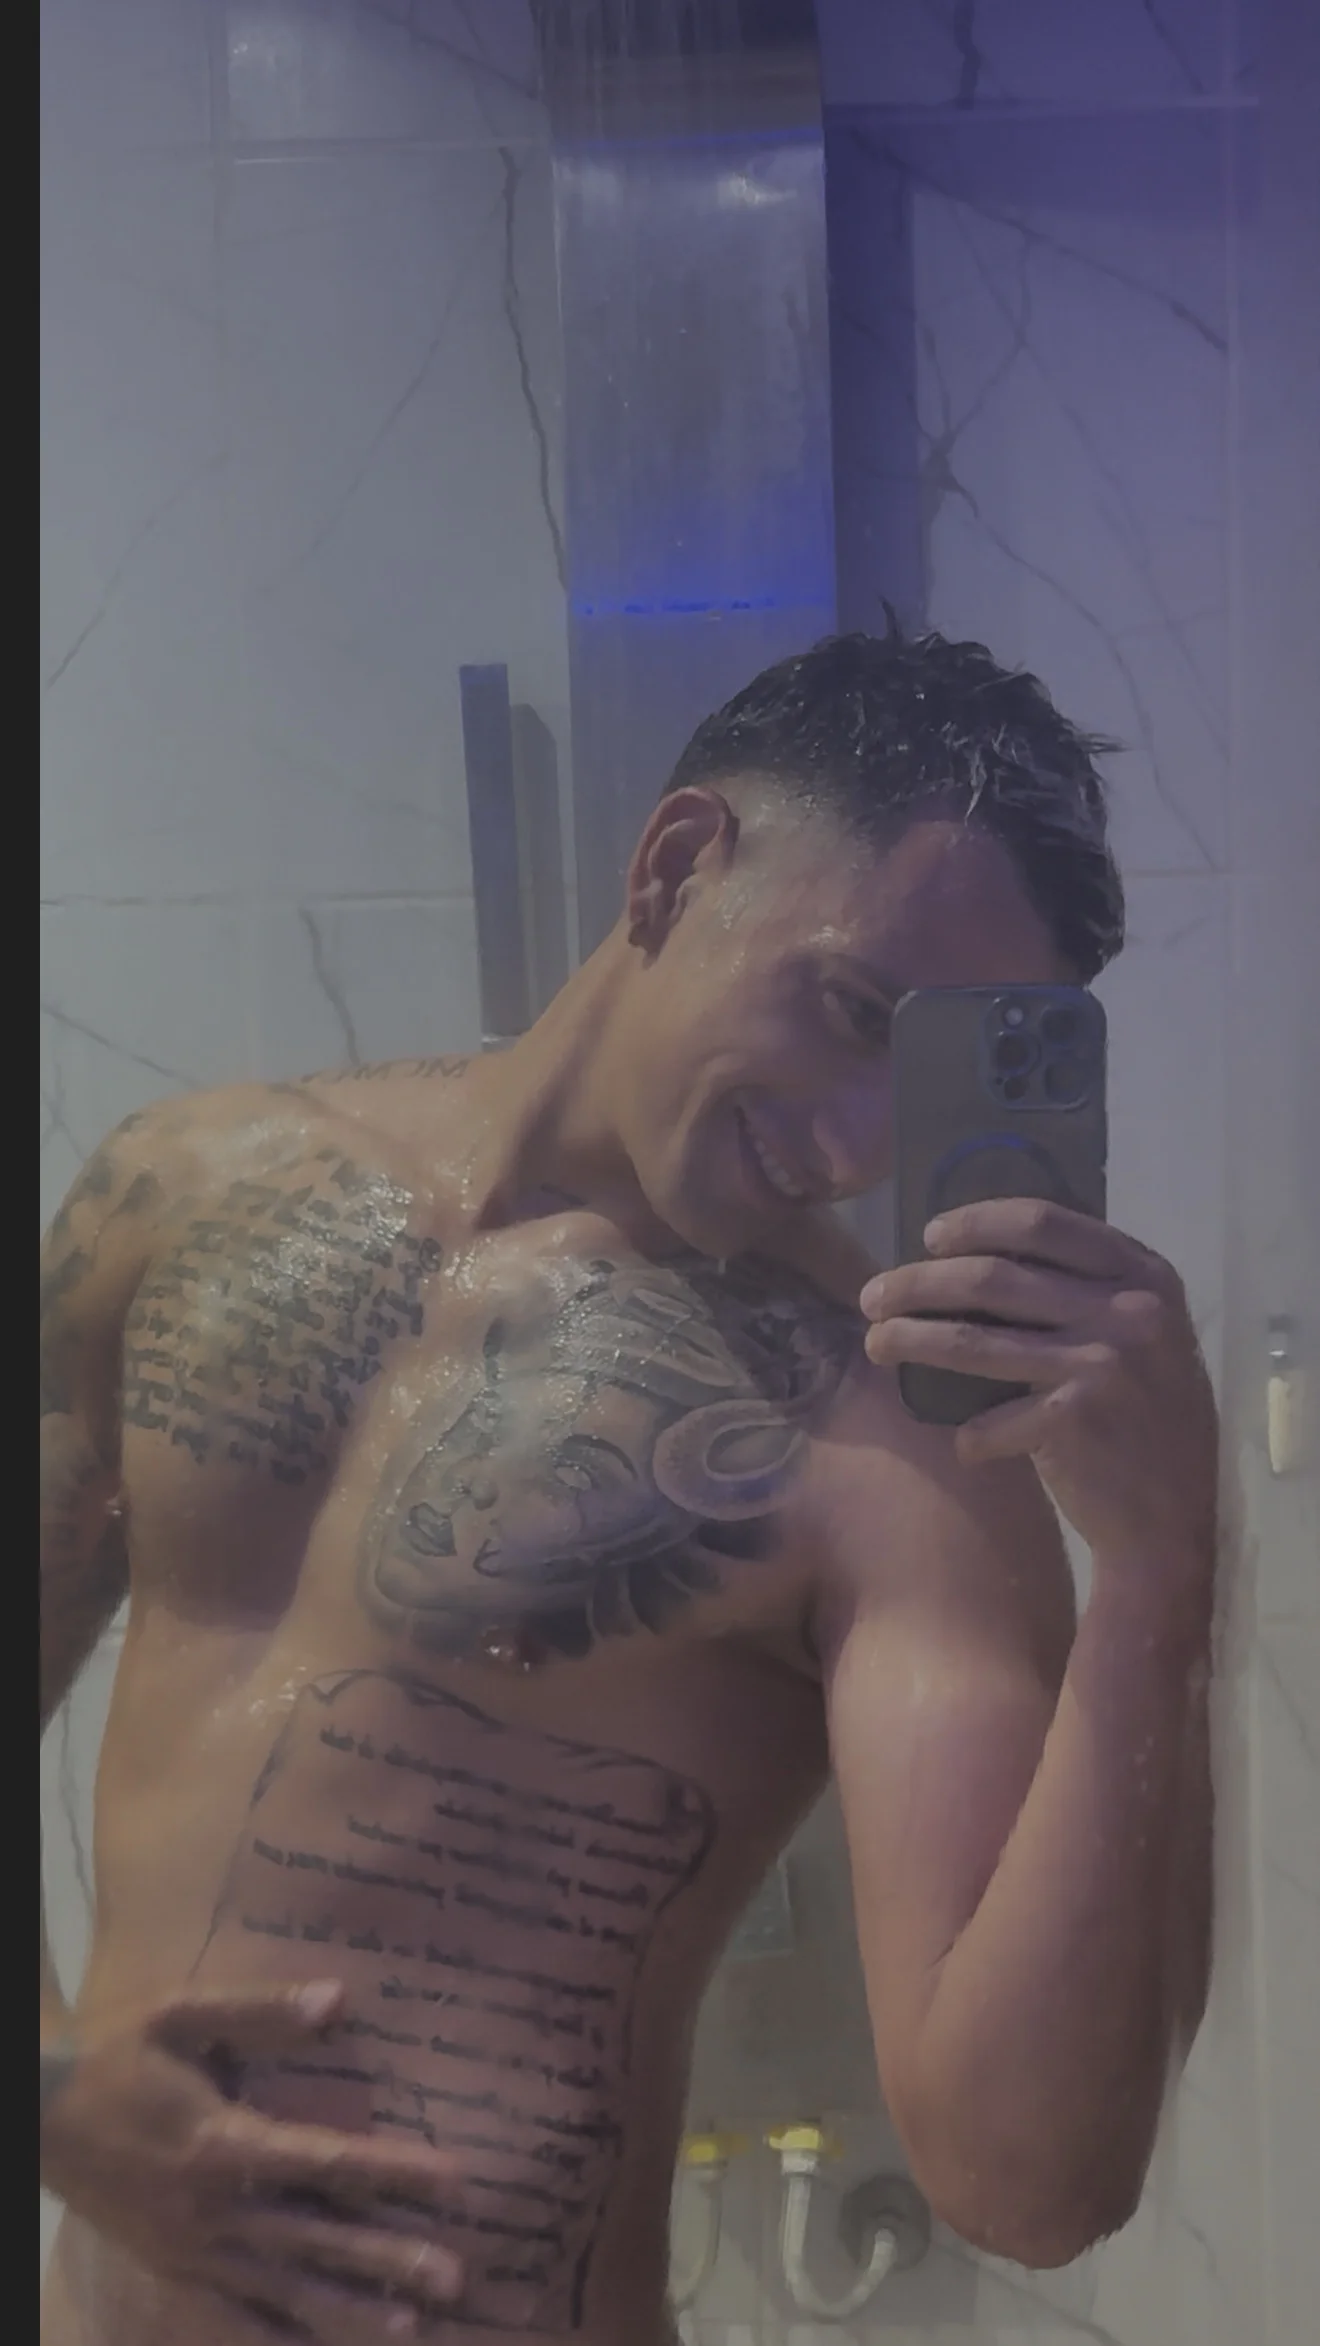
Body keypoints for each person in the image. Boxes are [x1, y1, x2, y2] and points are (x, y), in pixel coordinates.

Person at [40, 628, 1217, 2346]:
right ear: (676, 866)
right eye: (853, 1011)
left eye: (921, 1075)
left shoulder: (884, 1454)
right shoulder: (174, 1192)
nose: (854, 1143)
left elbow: (1029, 2179)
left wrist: (1164, 1575)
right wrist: (51, 2091)